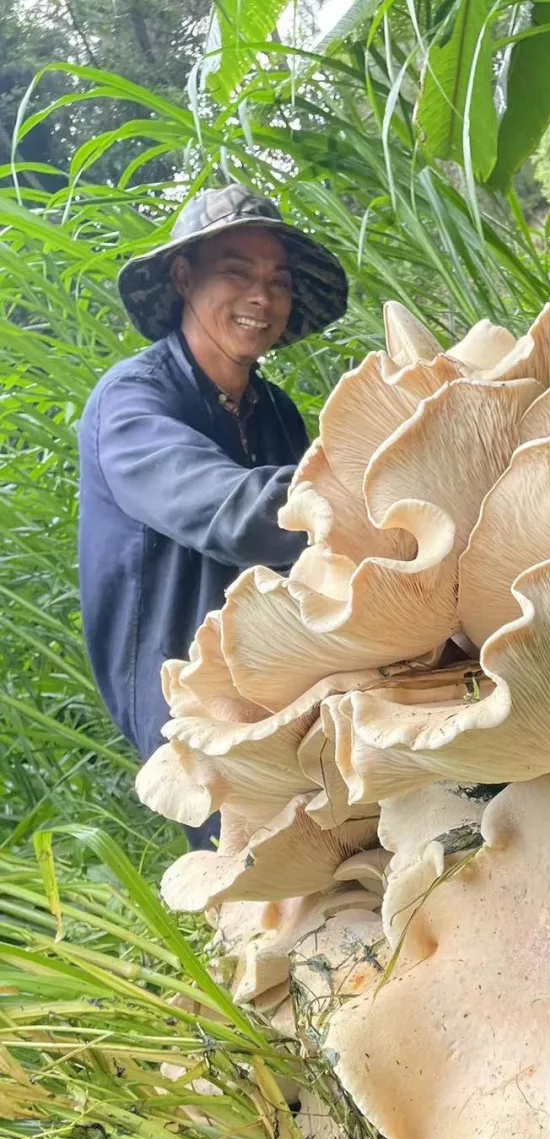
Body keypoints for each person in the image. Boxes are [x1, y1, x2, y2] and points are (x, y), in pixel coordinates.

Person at [77, 184, 348, 797]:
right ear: (182, 277)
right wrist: (371, 480)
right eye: (236, 273)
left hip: (277, 687)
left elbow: (312, 547)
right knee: (251, 876)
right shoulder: (130, 404)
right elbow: (236, 515)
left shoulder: (274, 411)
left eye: (278, 281)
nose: (262, 297)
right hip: (188, 708)